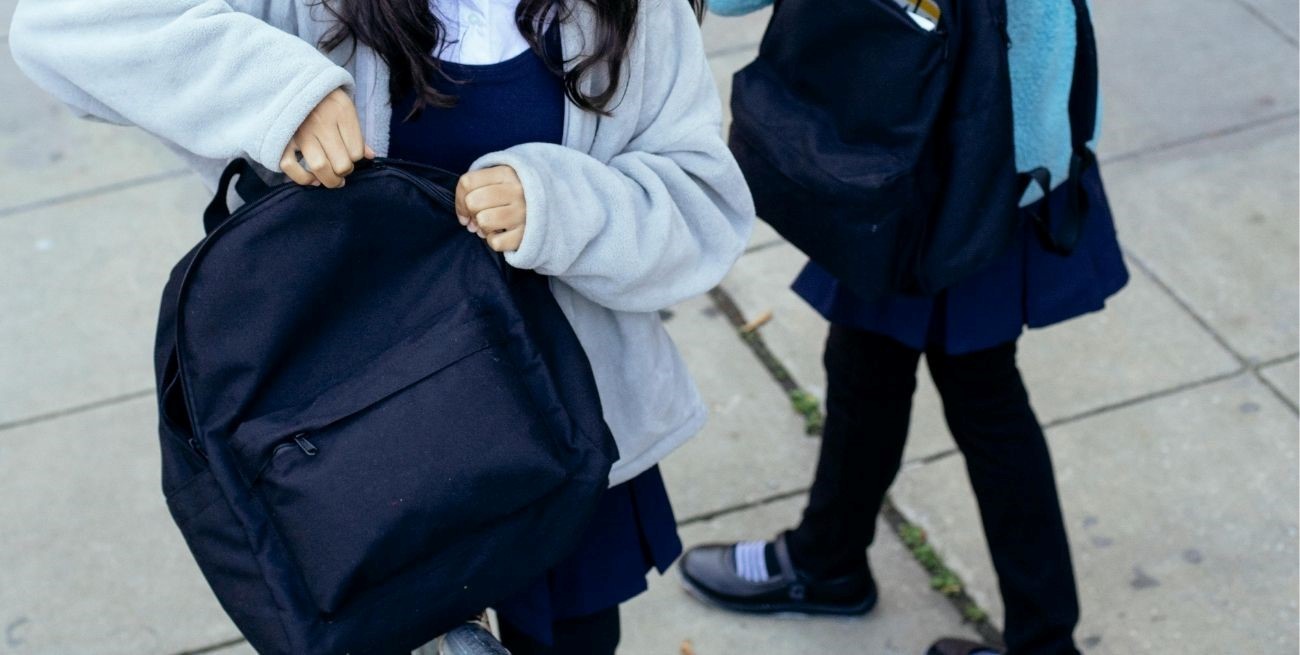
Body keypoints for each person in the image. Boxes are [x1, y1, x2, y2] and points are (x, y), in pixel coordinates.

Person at [9, 0, 755, 652]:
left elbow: (701, 202)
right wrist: (276, 92)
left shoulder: (632, 10)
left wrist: (563, 209)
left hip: (563, 433)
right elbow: (61, 23)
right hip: (356, 451)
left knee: (574, 636)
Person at [678, 2, 1128, 655]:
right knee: (870, 360)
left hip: (948, 163)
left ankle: (1042, 640)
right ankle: (829, 557)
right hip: (990, 139)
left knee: (981, 395)